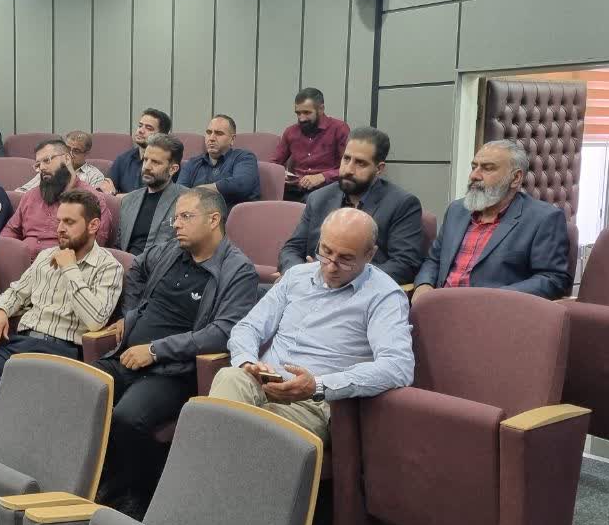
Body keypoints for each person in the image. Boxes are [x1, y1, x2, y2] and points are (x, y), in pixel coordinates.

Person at [95, 187, 259, 516]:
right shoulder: (171, 251)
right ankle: (96, 479)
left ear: (213, 220)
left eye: (186, 217)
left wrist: (156, 350)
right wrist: (132, 314)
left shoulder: (238, 270)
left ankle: (141, 496)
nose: (176, 225)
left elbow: (222, 332)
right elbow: (137, 268)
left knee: (127, 418)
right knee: (77, 388)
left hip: (172, 371)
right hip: (125, 356)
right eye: (175, 218)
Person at [209, 208, 414, 444]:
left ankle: (212, 461)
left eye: (345, 259)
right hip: (264, 382)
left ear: (370, 255)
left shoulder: (384, 296)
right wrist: (248, 363)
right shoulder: (296, 276)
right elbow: (248, 327)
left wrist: (318, 385)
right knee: (230, 377)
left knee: (251, 431)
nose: (331, 266)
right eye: (325, 252)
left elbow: (398, 366)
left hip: (312, 403)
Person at [0, 189, 124, 450]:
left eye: (69, 222)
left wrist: (69, 268)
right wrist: (0, 311)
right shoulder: (45, 256)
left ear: (93, 226)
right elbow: (16, 292)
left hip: (60, 352)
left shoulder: (109, 267)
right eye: (59, 221)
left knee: (8, 386)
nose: (60, 229)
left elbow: (95, 320)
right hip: (19, 344)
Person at [412, 139, 571, 300]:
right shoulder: (457, 210)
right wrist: (424, 284)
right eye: (474, 167)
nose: (474, 175)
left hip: (494, 310)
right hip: (440, 306)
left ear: (515, 178)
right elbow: (434, 260)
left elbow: (553, 279)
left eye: (487, 168)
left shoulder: (543, 218)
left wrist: (495, 298)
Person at [277, 126, 424, 285]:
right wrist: (300, 275)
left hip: (362, 291)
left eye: (360, 163)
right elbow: (291, 250)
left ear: (379, 169)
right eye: (346, 159)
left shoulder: (402, 204)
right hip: (310, 286)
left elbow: (404, 265)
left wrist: (343, 276)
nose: (349, 169)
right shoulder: (319, 198)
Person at [2, 137, 115, 252]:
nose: (42, 168)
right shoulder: (30, 196)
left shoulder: (92, 198)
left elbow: (96, 243)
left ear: (67, 158)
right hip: (26, 261)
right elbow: (10, 230)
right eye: (38, 165)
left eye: (47, 160)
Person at [273, 87, 349, 203]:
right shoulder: (290, 132)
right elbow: (274, 162)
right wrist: (280, 174)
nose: (301, 118)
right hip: (295, 187)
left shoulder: (339, 129)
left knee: (311, 200)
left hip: (327, 187)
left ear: (321, 109)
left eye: (307, 113)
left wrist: (322, 177)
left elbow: (348, 167)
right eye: (298, 113)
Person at [116, 133, 187, 255]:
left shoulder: (187, 200)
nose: (147, 167)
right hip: (127, 264)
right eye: (145, 160)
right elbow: (118, 246)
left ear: (173, 169)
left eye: (155, 162)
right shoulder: (128, 200)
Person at [177, 113, 260, 207]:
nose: (211, 138)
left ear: (232, 139)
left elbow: (241, 184)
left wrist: (200, 191)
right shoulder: (193, 163)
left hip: (233, 215)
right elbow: (180, 193)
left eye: (219, 133)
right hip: (195, 214)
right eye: (209, 132)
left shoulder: (244, 157)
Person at [101, 108, 171, 196]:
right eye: (140, 126)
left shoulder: (167, 163)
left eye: (149, 128)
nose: (140, 131)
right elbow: (107, 190)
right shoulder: (123, 159)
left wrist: (117, 195)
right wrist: (113, 194)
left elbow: (154, 197)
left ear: (162, 135)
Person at [16, 130, 105, 193]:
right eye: (67, 149)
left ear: (86, 153)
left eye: (76, 151)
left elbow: (94, 203)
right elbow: (22, 191)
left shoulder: (95, 175)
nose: (70, 154)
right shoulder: (52, 168)